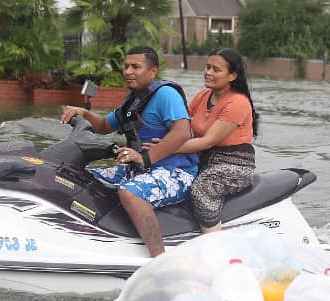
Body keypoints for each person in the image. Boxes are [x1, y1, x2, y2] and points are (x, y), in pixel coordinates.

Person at [59, 46, 198, 257]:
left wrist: (144, 157)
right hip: (141, 170)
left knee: (130, 193)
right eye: (126, 66)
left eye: (135, 67)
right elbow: (105, 126)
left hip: (176, 171)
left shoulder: (166, 95)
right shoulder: (133, 100)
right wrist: (84, 113)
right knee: (81, 178)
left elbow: (182, 133)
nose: (128, 71)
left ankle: (159, 258)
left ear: (153, 71)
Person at [169, 47, 259, 233]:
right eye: (207, 67)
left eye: (215, 70)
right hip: (202, 159)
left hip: (234, 164)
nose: (208, 73)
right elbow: (181, 123)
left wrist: (165, 148)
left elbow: (206, 141)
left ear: (232, 76)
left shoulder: (238, 103)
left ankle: (213, 243)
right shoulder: (203, 95)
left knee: (202, 189)